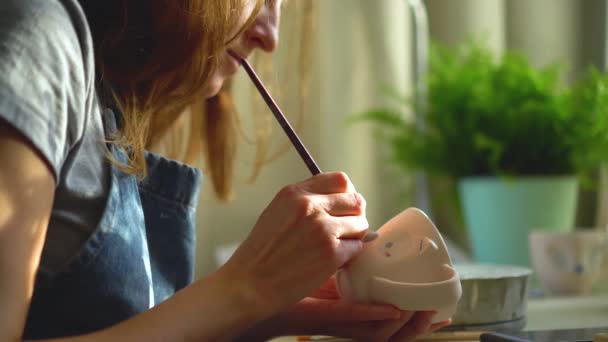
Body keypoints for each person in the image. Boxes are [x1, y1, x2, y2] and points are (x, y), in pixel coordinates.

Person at [0, 0, 452, 340]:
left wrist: (268, 311)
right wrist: (243, 290)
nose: (270, 35)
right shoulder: (38, 40)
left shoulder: (110, 85)